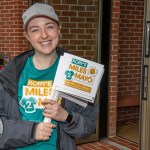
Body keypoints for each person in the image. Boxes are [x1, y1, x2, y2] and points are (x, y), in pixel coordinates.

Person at [0, 3, 99, 150]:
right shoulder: (10, 75)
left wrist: (67, 117)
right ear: (27, 35)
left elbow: (88, 127)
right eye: (35, 30)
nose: (44, 35)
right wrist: (31, 131)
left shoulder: (77, 73)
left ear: (59, 29)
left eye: (50, 27)